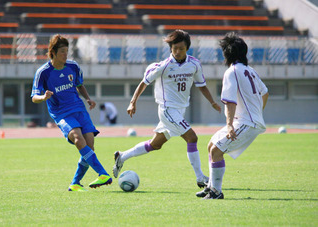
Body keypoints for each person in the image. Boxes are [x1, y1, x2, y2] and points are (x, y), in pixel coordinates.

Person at [112, 30, 221, 189]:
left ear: (187, 49)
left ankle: (121, 157)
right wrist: (132, 102)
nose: (177, 52)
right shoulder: (163, 66)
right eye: (174, 48)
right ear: (170, 48)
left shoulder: (194, 64)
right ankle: (200, 178)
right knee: (192, 138)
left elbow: (201, 86)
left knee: (155, 144)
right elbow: (144, 82)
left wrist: (212, 102)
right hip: (167, 110)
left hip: (180, 110)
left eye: (181, 49)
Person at [31, 34, 112, 191]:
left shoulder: (73, 66)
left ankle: (75, 183)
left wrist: (88, 99)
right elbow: (34, 97)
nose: (65, 55)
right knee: (77, 138)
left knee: (89, 145)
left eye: (67, 51)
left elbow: (79, 84)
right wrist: (43, 97)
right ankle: (102, 173)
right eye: (62, 51)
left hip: (79, 109)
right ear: (53, 52)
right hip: (62, 113)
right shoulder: (43, 72)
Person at [196, 32, 269, 199]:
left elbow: (230, 101)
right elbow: (265, 93)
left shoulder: (232, 72)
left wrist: (229, 125)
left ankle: (216, 192)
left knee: (216, 150)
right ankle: (211, 187)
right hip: (248, 121)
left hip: (246, 122)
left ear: (226, 54)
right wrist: (258, 112)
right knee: (211, 145)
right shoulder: (250, 71)